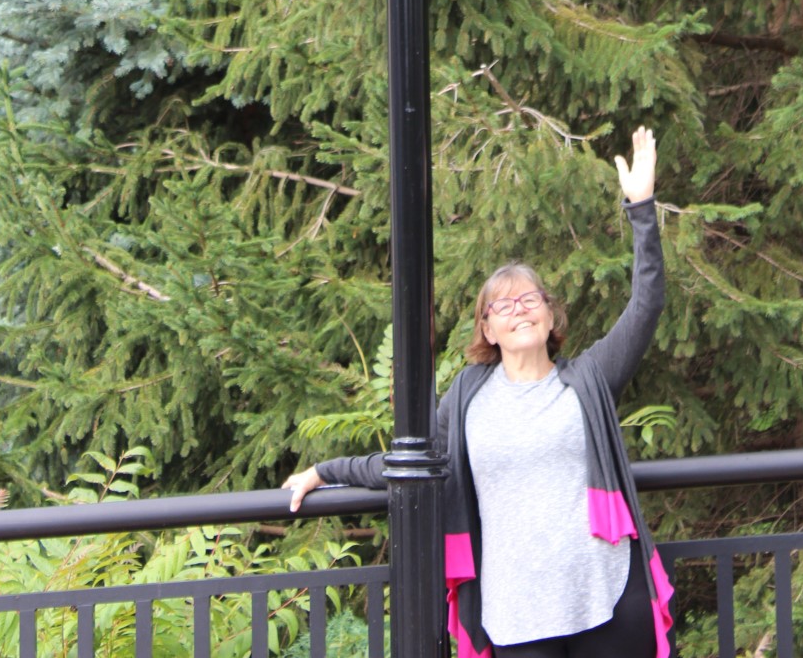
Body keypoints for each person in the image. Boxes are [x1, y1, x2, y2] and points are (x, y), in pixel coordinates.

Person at [283, 126, 673, 658]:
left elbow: (647, 302)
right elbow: (417, 463)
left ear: (550, 315)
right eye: (503, 306)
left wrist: (641, 207)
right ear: (486, 329)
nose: (520, 311)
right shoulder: (469, 395)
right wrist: (327, 471)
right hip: (516, 611)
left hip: (605, 595)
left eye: (530, 300)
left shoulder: (589, 379)